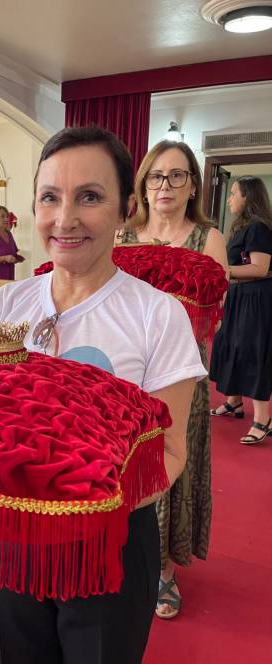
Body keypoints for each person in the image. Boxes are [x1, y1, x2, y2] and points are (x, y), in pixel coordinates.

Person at [0, 126, 206, 664]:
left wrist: (84, 509)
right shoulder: (4, 306)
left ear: (127, 209)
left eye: (90, 197)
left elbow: (169, 453)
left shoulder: (156, 314)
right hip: (12, 537)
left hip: (108, 544)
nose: (65, 218)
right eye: (50, 197)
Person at [118, 140, 228, 620]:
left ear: (192, 186)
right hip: (126, 375)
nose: (165, 185)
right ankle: (122, 555)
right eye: (156, 175)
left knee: (170, 464)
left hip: (181, 373)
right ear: (144, 184)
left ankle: (163, 571)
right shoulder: (123, 235)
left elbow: (211, 315)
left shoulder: (208, 239)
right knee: (125, 466)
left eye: (177, 175)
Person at [210, 176, 272, 444]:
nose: (229, 199)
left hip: (256, 299)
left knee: (252, 352)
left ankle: (263, 419)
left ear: (248, 196)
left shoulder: (258, 227)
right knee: (231, 346)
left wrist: (222, 270)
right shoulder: (244, 227)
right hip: (240, 296)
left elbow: (259, 268)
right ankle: (234, 401)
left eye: (234, 193)